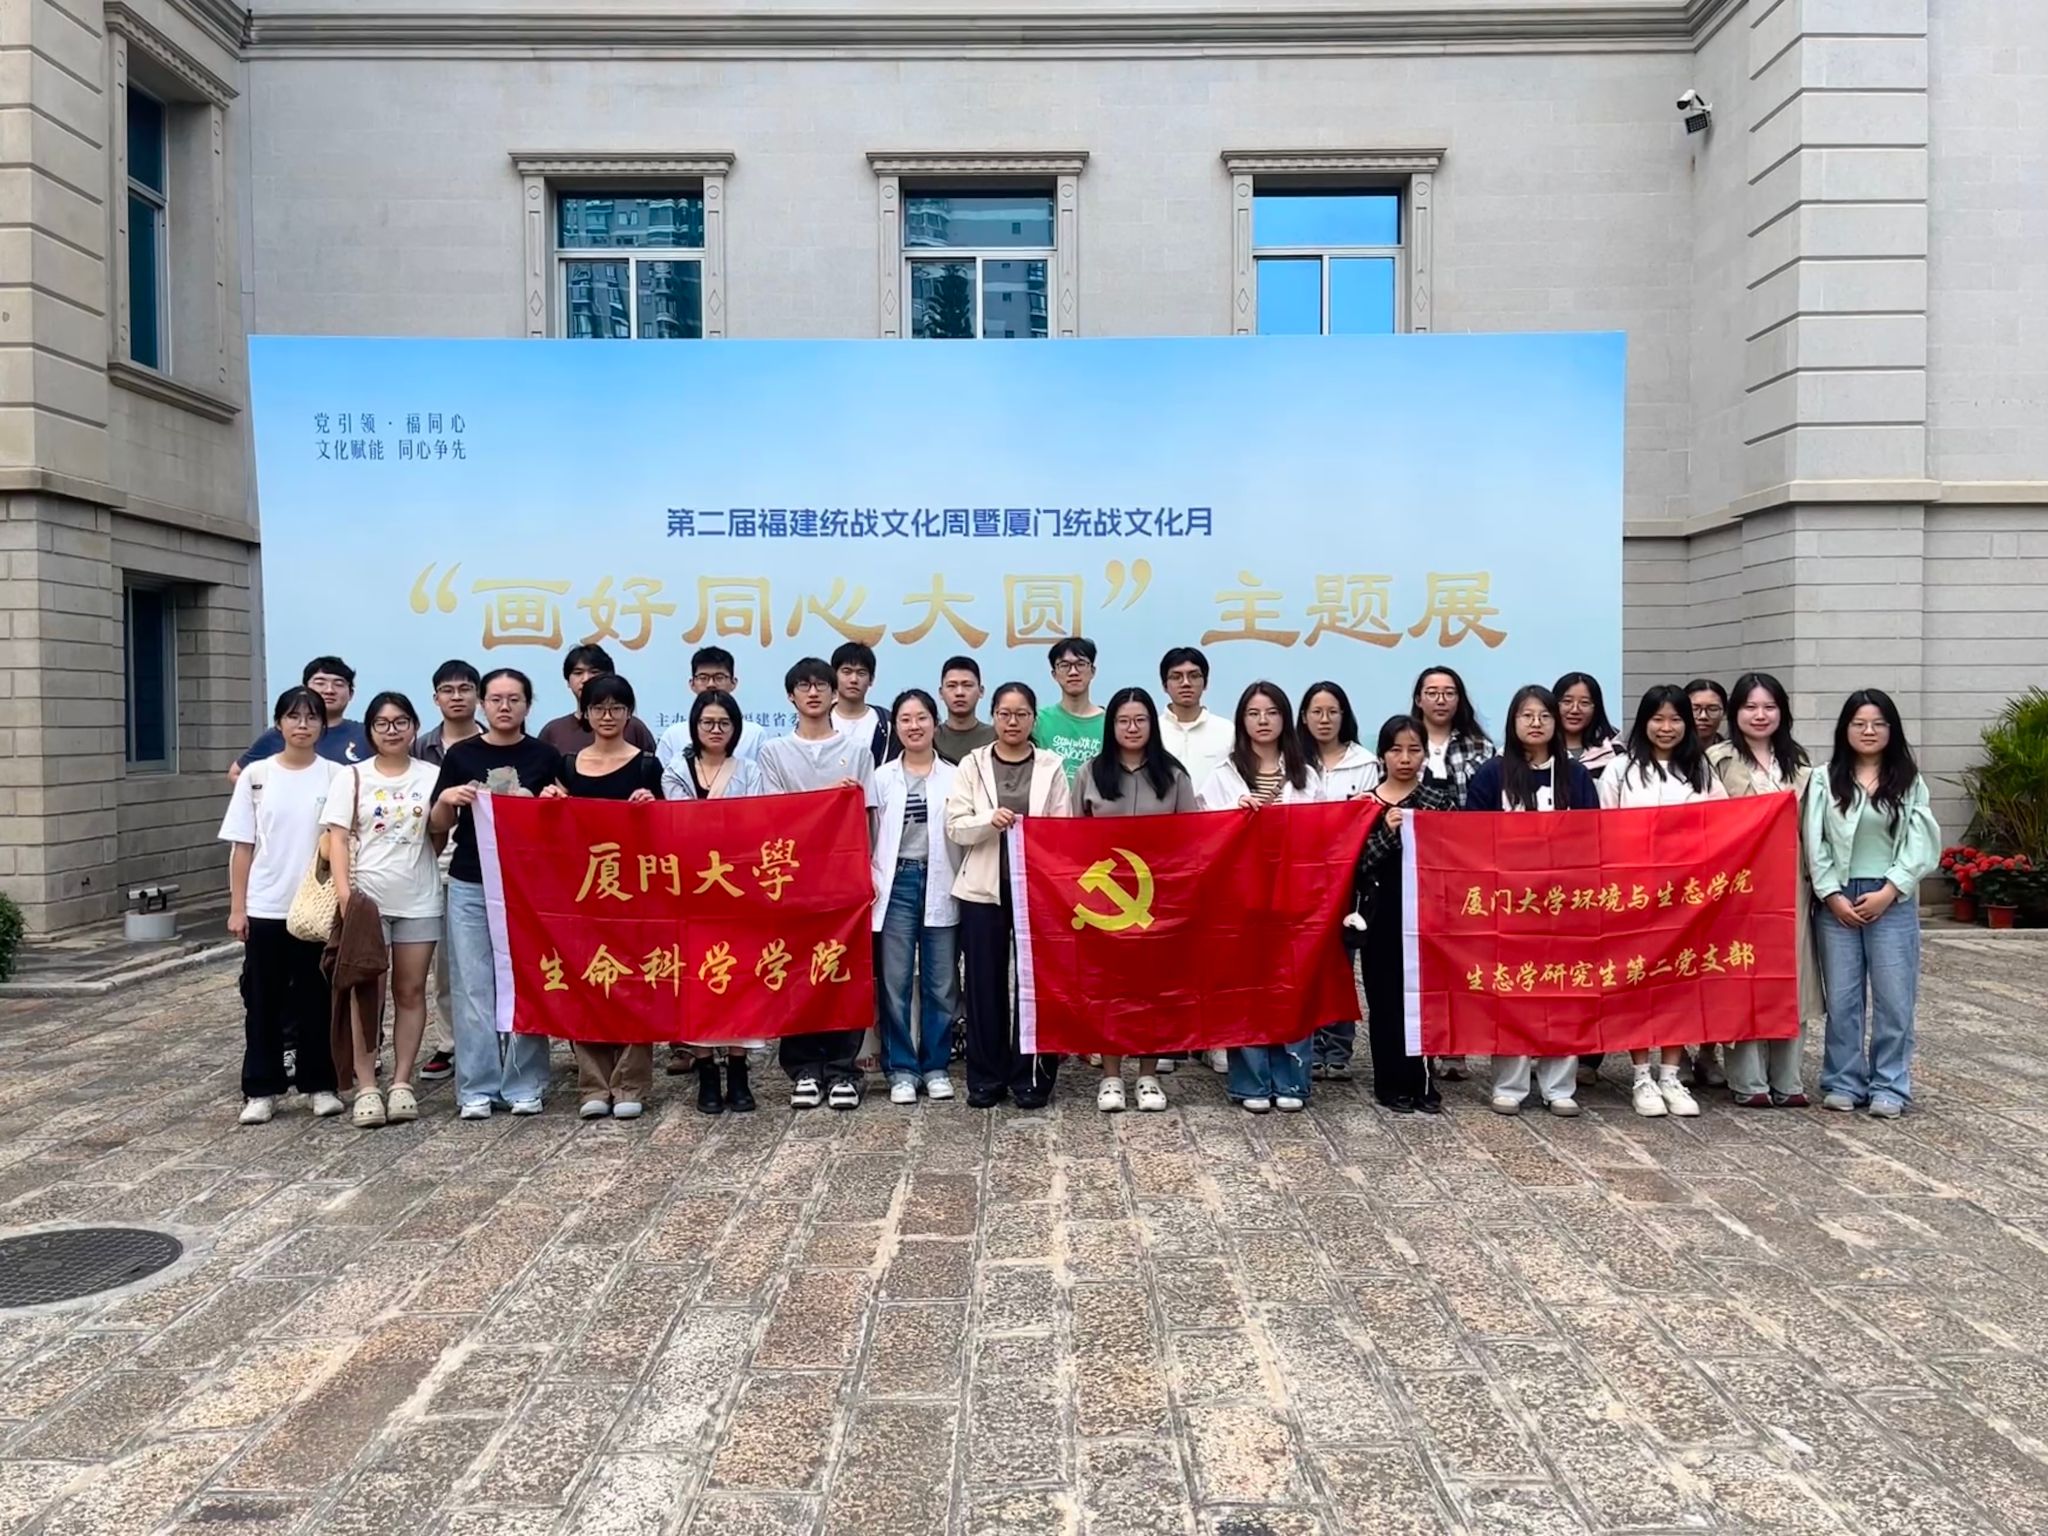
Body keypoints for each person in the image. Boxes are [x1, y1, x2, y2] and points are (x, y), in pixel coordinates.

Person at [429, 668, 561, 1119]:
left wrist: (554, 802)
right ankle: (476, 1087)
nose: (505, 707)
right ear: (483, 704)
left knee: (526, 981)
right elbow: (438, 825)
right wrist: (446, 799)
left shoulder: (545, 755)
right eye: (496, 699)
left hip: (527, 887)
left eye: (514, 699)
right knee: (472, 985)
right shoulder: (461, 755)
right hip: (470, 880)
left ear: (528, 704)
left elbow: (560, 826)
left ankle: (525, 1082)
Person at [1806, 688, 1940, 1119]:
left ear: (1891, 730)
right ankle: (1843, 1081)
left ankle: (1890, 1085)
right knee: (1843, 1000)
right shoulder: (1825, 779)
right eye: (1859, 723)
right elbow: (1814, 842)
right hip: (1837, 902)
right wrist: (1831, 894)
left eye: (1878, 723)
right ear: (1844, 729)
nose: (1868, 731)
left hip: (1891, 900)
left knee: (1894, 1000)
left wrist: (1890, 890)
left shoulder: (1908, 780)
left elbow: (1920, 844)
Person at [535, 673, 663, 1120]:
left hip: (635, 892)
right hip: (582, 892)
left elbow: (669, 835)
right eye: (599, 708)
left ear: (629, 714)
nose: (608, 716)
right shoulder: (568, 766)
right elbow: (550, 833)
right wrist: (549, 801)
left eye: (617, 708)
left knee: (635, 981)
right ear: (585, 714)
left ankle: (631, 1082)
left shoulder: (647, 765)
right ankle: (592, 1082)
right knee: (585, 981)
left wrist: (653, 806)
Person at [1597, 684, 1727, 1118]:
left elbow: (1725, 826)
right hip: (1633, 897)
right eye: (1658, 718)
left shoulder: (1702, 771)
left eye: (1675, 719)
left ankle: (1671, 1075)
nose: (1666, 728)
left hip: (1686, 900)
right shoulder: (1620, 770)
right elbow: (1604, 832)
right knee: (1637, 984)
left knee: (1677, 985)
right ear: (1644, 722)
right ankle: (1641, 1075)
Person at [757, 657, 881, 1111]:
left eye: (820, 685)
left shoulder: (858, 751)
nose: (813, 693)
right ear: (790, 695)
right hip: (792, 880)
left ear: (834, 693)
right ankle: (804, 1067)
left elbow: (869, 821)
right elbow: (774, 816)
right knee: (795, 970)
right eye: (803, 686)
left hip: (843, 882)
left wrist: (847, 802)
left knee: (843, 970)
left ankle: (843, 1068)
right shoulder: (773, 752)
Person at [1469, 684, 1598, 1118]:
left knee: (1563, 992)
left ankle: (1559, 1084)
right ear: (1513, 722)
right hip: (1509, 903)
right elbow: (1472, 838)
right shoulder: (1492, 774)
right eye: (1527, 715)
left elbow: (1593, 836)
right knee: (1512, 993)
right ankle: (1509, 1083)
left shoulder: (1576, 776)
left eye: (1544, 715)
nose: (1536, 723)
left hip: (1564, 904)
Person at [219, 686, 345, 1125]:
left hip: (316, 907)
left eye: (311, 717)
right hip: (266, 905)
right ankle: (261, 1088)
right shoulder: (257, 776)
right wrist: (238, 908)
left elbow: (343, 842)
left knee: (317, 998)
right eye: (293, 717)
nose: (302, 725)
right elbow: (242, 847)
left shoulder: (336, 776)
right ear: (279, 724)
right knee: (263, 999)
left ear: (323, 725)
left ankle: (320, 1084)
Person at [946, 681, 1072, 1109]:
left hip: (1038, 890)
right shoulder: (973, 763)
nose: (1012, 722)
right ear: (993, 716)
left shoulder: (1051, 766)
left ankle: (1032, 1077)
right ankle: (986, 1077)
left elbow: (1063, 828)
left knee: (1036, 984)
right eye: (1004, 713)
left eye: (1021, 714)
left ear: (1034, 718)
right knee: (983, 983)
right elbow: (955, 825)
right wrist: (989, 820)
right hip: (983, 889)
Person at [324, 691, 442, 1128]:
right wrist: (345, 895)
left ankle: (402, 1082)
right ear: (370, 730)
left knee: (410, 991)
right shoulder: (352, 776)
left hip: (420, 898)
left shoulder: (432, 775)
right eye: (382, 723)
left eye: (400, 722)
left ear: (414, 727)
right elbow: (337, 838)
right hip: (367, 901)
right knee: (366, 994)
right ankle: (367, 1085)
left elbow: (438, 833)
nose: (392, 731)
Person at [1077, 687, 1196, 1113]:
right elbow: (1072, 837)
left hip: (1157, 902)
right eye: (1123, 721)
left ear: (1152, 725)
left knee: (1153, 990)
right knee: (1109, 989)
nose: (1132, 728)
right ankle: (1111, 1075)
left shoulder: (1174, 774)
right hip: (1106, 904)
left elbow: (1193, 838)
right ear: (1111, 726)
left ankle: (1148, 1075)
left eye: (1140, 720)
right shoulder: (1090, 773)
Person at [1200, 682, 1315, 1113]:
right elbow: (1203, 833)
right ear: (1241, 720)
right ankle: (1250, 1081)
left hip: (1293, 897)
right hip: (1241, 899)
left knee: (1292, 986)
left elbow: (1323, 833)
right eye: (1253, 713)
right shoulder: (1224, 774)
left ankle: (1292, 1080)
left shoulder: (1307, 775)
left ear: (1285, 718)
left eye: (1271, 712)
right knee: (1245, 988)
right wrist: (1233, 816)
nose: (1263, 721)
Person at [1710, 672, 1821, 1108]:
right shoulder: (1716, 760)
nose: (1760, 715)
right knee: (1743, 976)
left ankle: (1788, 1079)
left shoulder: (1799, 761)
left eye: (1769, 707)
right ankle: (1748, 1080)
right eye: (1751, 707)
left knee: (1792, 976)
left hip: (1791, 884)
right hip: (1739, 885)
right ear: (1735, 712)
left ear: (1782, 712)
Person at [661, 688, 761, 1111]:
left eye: (724, 723)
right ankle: (705, 1070)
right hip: (691, 888)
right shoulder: (675, 770)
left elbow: (754, 823)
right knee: (697, 983)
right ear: (694, 726)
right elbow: (680, 824)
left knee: (739, 978)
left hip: (738, 888)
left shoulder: (750, 770)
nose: (716, 730)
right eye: (708, 723)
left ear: (735, 728)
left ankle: (738, 1070)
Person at [1353, 716, 1459, 1113]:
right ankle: (1389, 1083)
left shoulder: (1438, 800)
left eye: (1414, 750)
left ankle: (1423, 1083)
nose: (1405, 758)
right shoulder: (1364, 803)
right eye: (1396, 750)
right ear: (1382, 754)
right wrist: (1387, 831)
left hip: (1426, 914)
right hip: (1380, 915)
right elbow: (1357, 863)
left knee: (1423, 999)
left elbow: (1455, 855)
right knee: (1384, 999)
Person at [872, 689, 962, 1106]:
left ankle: (936, 1066)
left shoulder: (956, 776)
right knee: (895, 980)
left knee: (941, 982)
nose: (914, 726)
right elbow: (869, 835)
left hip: (941, 880)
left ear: (935, 724)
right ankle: (902, 1069)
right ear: (896, 726)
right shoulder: (880, 778)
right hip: (897, 884)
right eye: (905, 719)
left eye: (922, 718)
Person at [1298, 680, 1379, 1079]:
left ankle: (1339, 1049)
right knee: (1308, 962)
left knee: (1342, 964)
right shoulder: (1293, 762)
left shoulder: (1365, 763)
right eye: (1317, 711)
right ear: (1304, 717)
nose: (1325, 719)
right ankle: (1311, 1043)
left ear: (1344, 716)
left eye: (1332, 711)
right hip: (1303, 877)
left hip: (1348, 878)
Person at [411, 658, 482, 1084]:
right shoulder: (419, 748)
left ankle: (493, 1037)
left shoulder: (494, 742)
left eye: (465, 689)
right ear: (435, 698)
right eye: (448, 690)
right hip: (432, 860)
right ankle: (450, 1042)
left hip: (482, 863)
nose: (457, 697)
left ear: (478, 696)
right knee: (445, 963)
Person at [230, 656, 370, 780]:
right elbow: (236, 773)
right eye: (320, 683)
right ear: (305, 689)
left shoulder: (366, 734)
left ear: (351, 694)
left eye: (338, 684)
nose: (329, 690)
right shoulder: (281, 733)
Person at [656, 646, 763, 780]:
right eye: (703, 677)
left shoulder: (755, 734)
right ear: (692, 683)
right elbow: (661, 783)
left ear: (733, 683)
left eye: (719, 677)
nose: (711, 684)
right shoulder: (673, 735)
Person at [537, 643, 659, 755]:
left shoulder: (634, 728)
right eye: (578, 673)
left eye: (594, 672)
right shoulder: (553, 731)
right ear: (568, 681)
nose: (586, 679)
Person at [1412, 666, 1493, 801]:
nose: (1441, 701)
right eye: (1432, 693)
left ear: (1459, 699)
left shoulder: (1481, 747)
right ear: (1418, 700)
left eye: (1449, 694)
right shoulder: (1403, 746)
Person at [1158, 646, 1233, 789]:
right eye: (1176, 677)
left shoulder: (1227, 731)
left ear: (1205, 683)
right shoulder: (1153, 730)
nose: (1186, 683)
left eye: (1194, 676)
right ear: (1164, 686)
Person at [1034, 636, 1107, 784]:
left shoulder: (1110, 722)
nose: (1073, 672)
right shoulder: (1039, 721)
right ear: (1054, 674)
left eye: (1080, 664)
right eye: (1064, 665)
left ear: (1093, 671)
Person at [830, 640, 891, 765]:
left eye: (861, 673)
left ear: (871, 679)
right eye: (846, 672)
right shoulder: (819, 720)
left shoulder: (885, 723)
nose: (854, 679)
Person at [1554, 671, 1619, 780]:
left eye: (1584, 703)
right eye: (1567, 701)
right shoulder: (1539, 750)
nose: (1574, 710)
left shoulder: (1615, 751)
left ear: (1596, 708)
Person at [935, 655, 995, 764]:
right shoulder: (931, 737)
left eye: (967, 685)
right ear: (941, 693)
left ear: (981, 691)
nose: (959, 693)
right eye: (951, 686)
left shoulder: (995, 737)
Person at [1686, 678, 1729, 749]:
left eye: (1713, 709)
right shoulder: (1669, 752)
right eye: (1695, 709)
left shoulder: (1733, 753)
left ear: (1724, 713)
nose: (1703, 716)